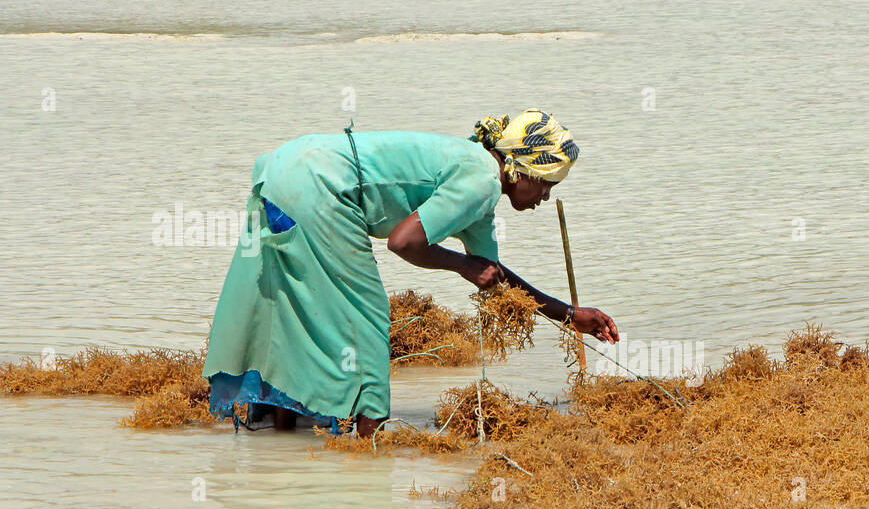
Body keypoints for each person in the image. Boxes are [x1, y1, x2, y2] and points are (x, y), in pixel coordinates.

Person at [202, 110, 619, 436]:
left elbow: (495, 276)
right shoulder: (482, 181)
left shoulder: (477, 176)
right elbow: (403, 242)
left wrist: (569, 315)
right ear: (518, 170)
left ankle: (282, 431)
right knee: (364, 319)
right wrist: (460, 265)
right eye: (546, 183)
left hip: (285, 166)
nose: (545, 197)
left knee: (295, 310)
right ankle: (368, 443)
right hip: (320, 186)